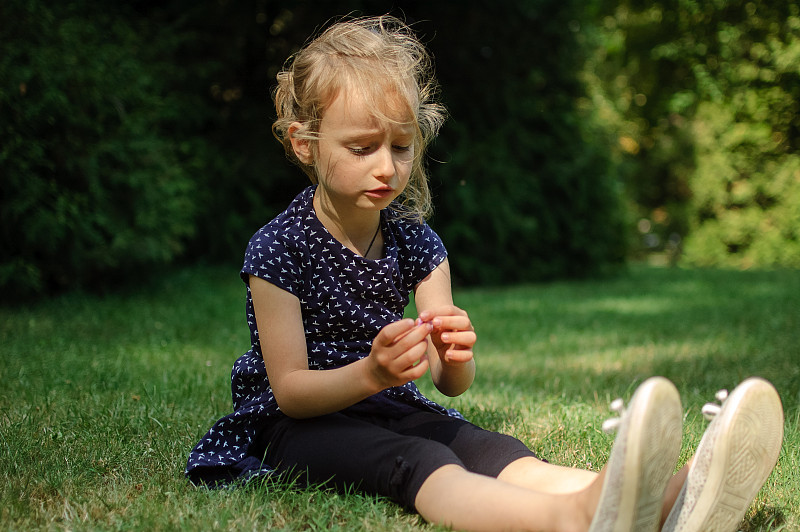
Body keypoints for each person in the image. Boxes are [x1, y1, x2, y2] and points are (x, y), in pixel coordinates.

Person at [185, 15, 784, 531]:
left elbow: (451, 384)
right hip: (299, 429)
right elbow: (289, 391)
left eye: (401, 146)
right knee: (417, 461)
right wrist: (371, 372)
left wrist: (455, 351)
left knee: (488, 447)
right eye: (362, 147)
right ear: (304, 144)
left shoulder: (418, 243)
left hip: (389, 403)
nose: (387, 166)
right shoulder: (278, 249)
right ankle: (572, 518)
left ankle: (656, 500)